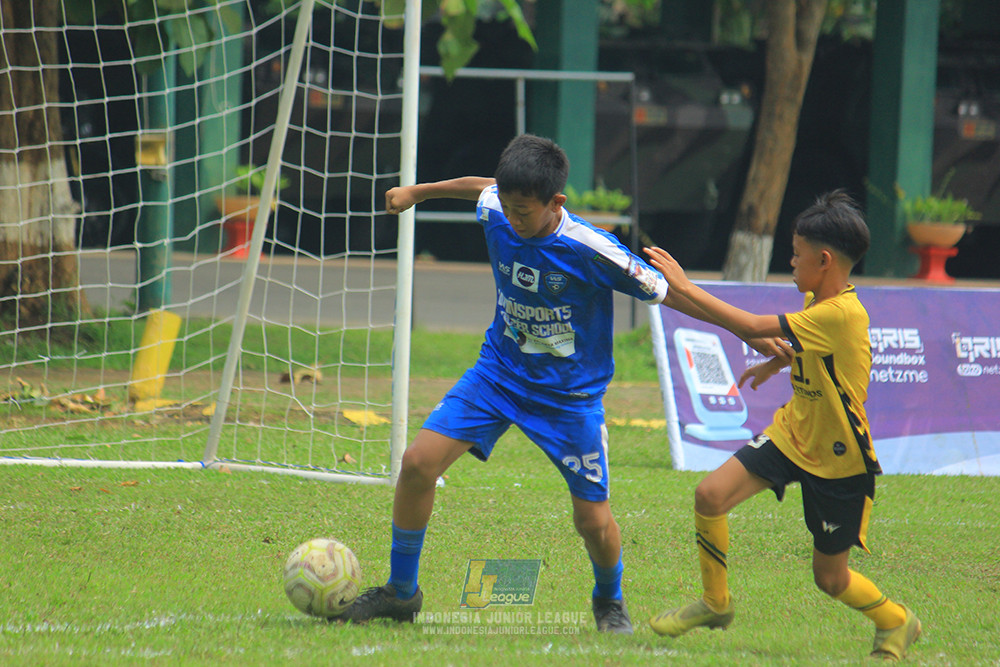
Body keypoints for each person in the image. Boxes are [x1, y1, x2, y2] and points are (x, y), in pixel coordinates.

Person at [339, 134, 787, 633]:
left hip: (569, 400)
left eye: (524, 211)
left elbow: (672, 296)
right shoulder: (498, 207)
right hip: (498, 375)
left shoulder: (591, 249)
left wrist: (750, 329)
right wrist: (418, 192)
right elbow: (481, 188)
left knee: (593, 523)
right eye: (507, 207)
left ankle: (609, 600)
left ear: (557, 203)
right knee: (417, 463)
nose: (513, 219)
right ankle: (402, 593)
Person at [642, 190, 921, 661]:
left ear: (825, 260)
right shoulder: (820, 299)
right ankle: (715, 603)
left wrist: (684, 287)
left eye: (796, 255)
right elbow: (807, 346)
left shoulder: (840, 312)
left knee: (829, 579)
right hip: (793, 434)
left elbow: (753, 326)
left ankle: (897, 620)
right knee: (710, 495)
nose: (790, 263)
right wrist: (776, 365)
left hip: (839, 461)